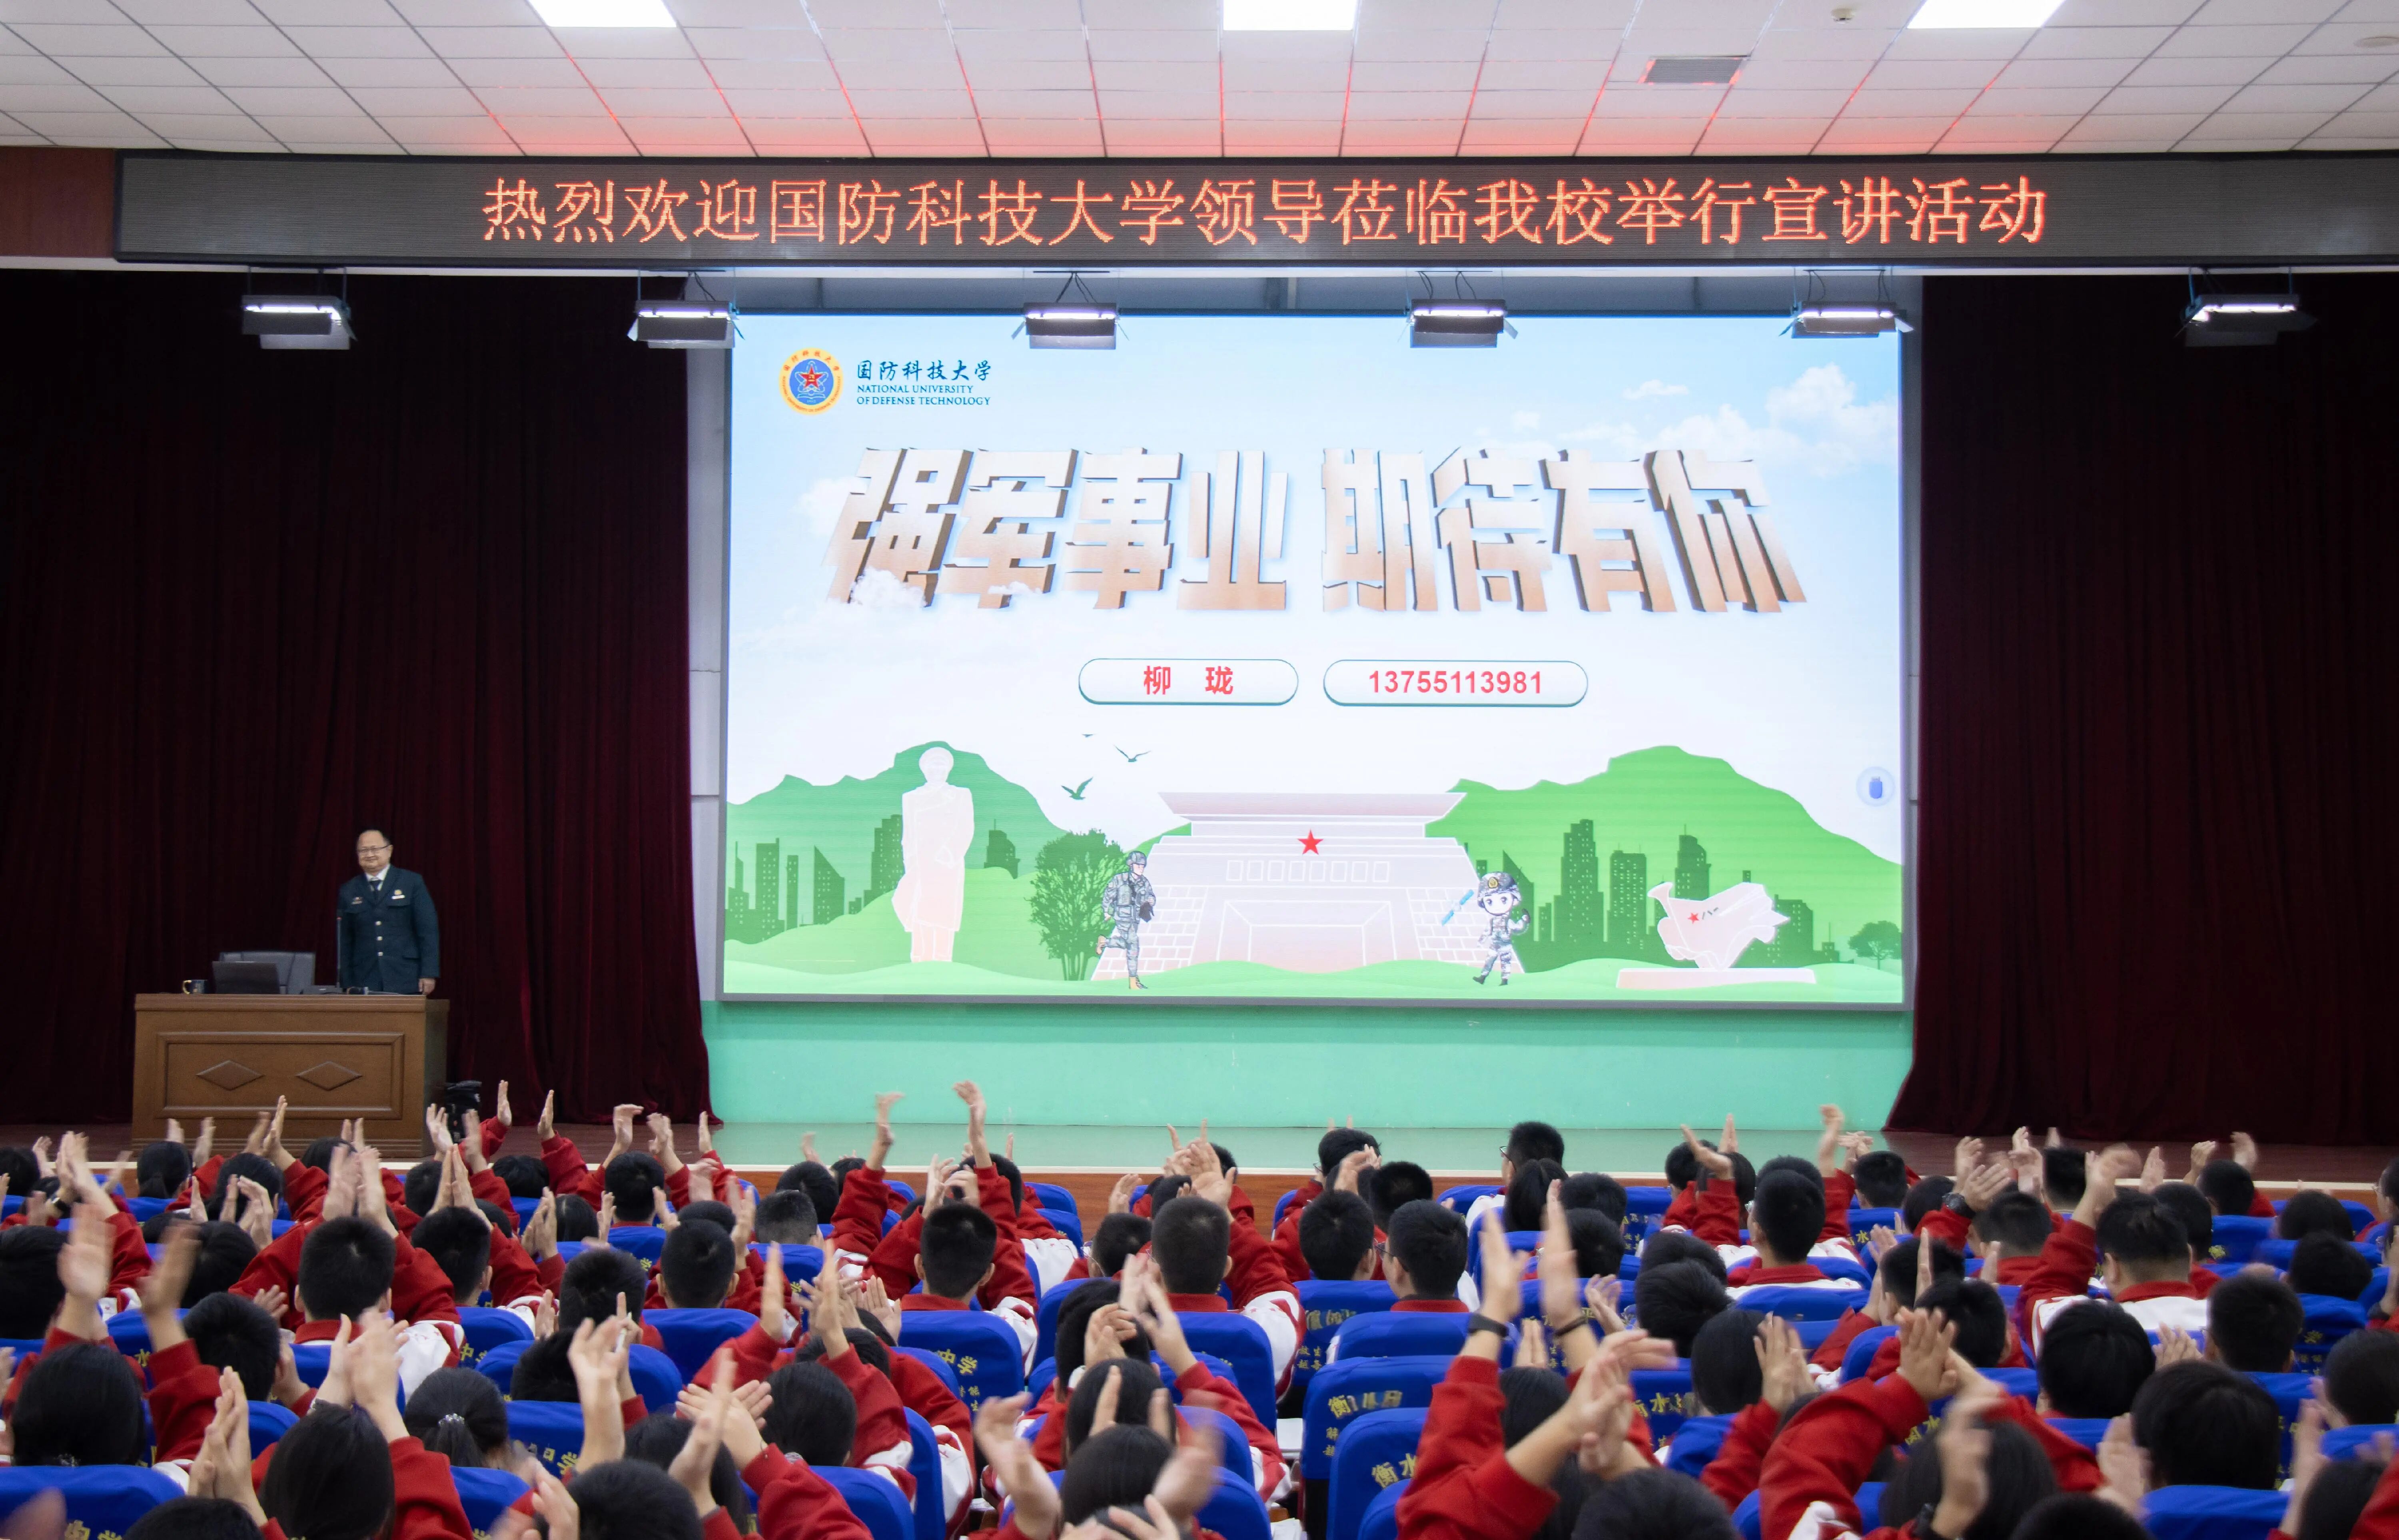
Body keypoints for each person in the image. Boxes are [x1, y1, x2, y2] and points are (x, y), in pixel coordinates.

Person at [893, 746, 972, 965]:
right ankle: (920, 958)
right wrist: (910, 863)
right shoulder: (911, 798)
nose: (937, 771)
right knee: (919, 910)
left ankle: (943, 958)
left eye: (941, 766)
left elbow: (966, 827)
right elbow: (909, 834)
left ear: (948, 769)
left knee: (944, 912)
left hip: (948, 864)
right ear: (924, 769)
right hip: (921, 862)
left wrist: (950, 854)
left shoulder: (960, 795)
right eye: (932, 766)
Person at [336, 828, 439, 995]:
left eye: (375, 849)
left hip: (406, 975)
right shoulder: (349, 890)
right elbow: (346, 941)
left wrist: (428, 973)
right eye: (364, 850)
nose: (370, 855)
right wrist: (347, 982)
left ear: (389, 850)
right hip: (365, 978)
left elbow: (428, 931)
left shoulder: (411, 882)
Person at [1098, 848, 1157, 991]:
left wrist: (1151, 901)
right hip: (1123, 917)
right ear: (1131, 865)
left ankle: (1105, 942)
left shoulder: (1144, 882)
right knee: (1134, 944)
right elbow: (1108, 894)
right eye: (1138, 865)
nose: (1141, 868)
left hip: (1136, 918)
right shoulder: (1120, 879)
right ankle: (1133, 982)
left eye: (1143, 866)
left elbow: (1151, 896)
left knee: (1128, 944)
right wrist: (1106, 911)